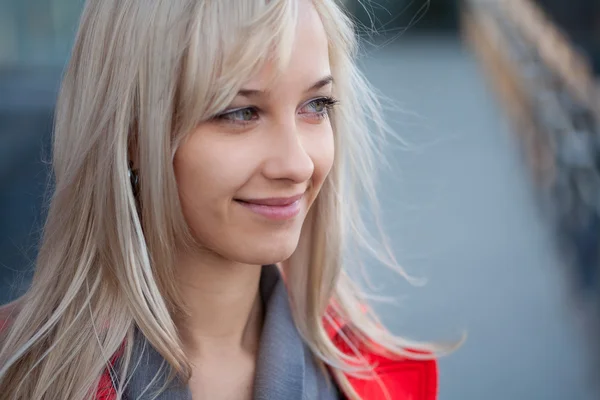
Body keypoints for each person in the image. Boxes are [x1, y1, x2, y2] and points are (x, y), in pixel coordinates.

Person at [0, 0, 444, 398]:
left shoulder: (386, 377)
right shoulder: (17, 376)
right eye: (240, 112)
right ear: (132, 134)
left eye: (316, 105)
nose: (297, 165)